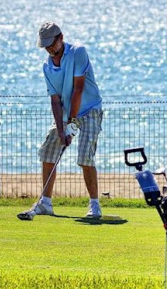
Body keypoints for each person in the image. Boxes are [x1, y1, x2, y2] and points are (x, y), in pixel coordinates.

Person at [17, 22, 103, 221]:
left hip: (90, 109)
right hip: (66, 112)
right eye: (45, 45)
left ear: (60, 37)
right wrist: (62, 129)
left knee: (84, 157)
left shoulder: (78, 52)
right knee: (48, 151)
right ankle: (45, 202)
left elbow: (78, 89)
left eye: (51, 43)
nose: (49, 48)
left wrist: (71, 124)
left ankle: (94, 205)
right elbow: (55, 100)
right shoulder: (47, 66)